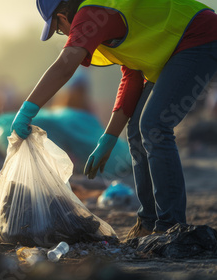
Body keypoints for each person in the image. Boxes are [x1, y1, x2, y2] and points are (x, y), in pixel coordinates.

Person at [11, 0, 217, 239]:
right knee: (137, 130)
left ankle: (171, 226)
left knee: (154, 126)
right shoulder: (104, 19)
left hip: (198, 37)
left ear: (63, 15)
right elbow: (131, 76)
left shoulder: (92, 14)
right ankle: (149, 221)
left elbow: (65, 66)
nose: (64, 34)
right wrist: (108, 138)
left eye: (58, 28)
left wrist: (26, 110)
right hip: (174, 50)